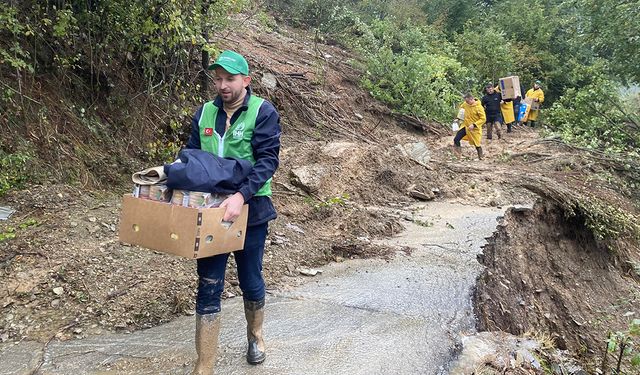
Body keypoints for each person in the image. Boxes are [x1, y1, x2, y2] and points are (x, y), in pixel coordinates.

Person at [184, 50, 281, 374]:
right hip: (210, 210)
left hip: (250, 209)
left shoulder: (262, 112)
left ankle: (255, 336)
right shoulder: (204, 114)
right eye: (218, 79)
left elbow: (268, 160)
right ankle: (205, 364)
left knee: (250, 278)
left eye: (230, 79)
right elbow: (192, 157)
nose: (223, 85)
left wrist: (241, 195)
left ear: (246, 81)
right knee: (208, 281)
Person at [453, 93, 486, 160]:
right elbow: (461, 110)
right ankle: (458, 156)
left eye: (467, 101)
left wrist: (474, 125)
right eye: (465, 101)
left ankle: (481, 156)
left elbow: (483, 119)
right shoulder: (465, 104)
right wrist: (458, 118)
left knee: (477, 143)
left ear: (471, 99)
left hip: (474, 128)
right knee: (456, 139)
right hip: (465, 126)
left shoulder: (479, 107)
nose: (466, 103)